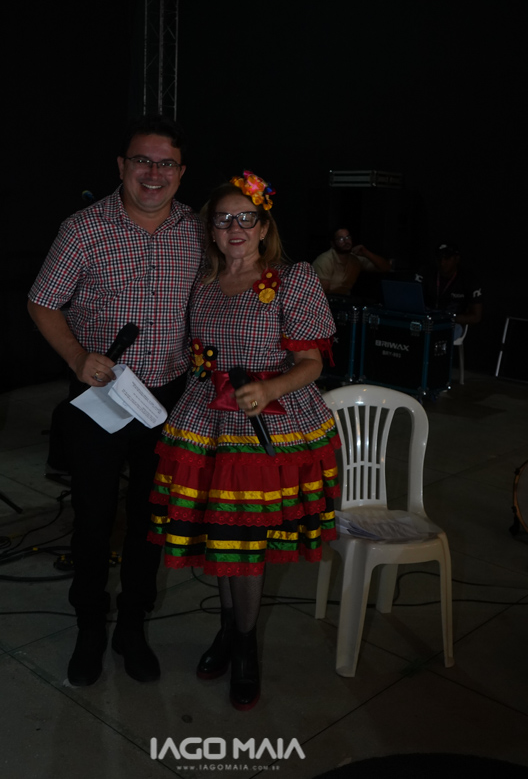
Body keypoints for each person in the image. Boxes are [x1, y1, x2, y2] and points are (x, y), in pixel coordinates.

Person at [147, 171, 341, 710]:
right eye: (223, 219)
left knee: (247, 538)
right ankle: (229, 630)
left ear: (263, 227)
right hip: (207, 422)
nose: (235, 228)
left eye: (245, 218)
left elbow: (311, 362)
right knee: (223, 534)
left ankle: (246, 646)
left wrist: (269, 387)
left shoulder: (292, 279)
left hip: (266, 424)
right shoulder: (202, 283)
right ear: (210, 229)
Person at [27, 114, 204, 687]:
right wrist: (78, 357)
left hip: (168, 399)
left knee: (152, 520)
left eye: (166, 163)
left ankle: (131, 626)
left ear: (181, 172)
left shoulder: (197, 230)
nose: (153, 173)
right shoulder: (83, 229)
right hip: (100, 395)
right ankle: (89, 625)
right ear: (122, 166)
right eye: (142, 161)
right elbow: (42, 301)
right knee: (93, 517)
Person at [419, 241, 483, 339]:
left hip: (453, 323)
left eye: (447, 258)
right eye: (439, 258)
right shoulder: (426, 273)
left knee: (439, 335)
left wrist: (448, 318)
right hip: (426, 320)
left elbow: (476, 317)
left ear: (456, 259)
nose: (442, 262)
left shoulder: (468, 279)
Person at [312, 226, 391, 295]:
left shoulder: (355, 259)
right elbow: (322, 291)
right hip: (327, 301)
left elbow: (385, 268)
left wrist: (366, 253)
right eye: (341, 239)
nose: (346, 241)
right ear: (333, 243)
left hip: (345, 300)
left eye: (348, 237)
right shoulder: (325, 260)